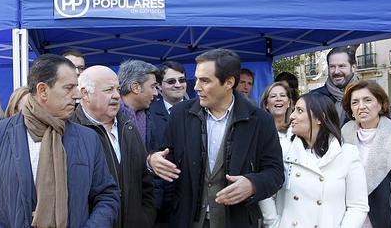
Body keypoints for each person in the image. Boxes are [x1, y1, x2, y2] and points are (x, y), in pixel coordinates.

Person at [0, 54, 119, 227]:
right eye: (69, 88)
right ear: (43, 91)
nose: (77, 95)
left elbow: (107, 196)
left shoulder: (88, 139)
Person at [148, 48, 284, 228]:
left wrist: (253, 184)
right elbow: (165, 157)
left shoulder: (260, 121)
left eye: (204, 81)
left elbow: (275, 173)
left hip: (237, 221)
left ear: (228, 83)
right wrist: (152, 161)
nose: (196, 86)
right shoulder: (180, 114)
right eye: (196, 79)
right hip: (187, 220)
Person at [259, 93, 369, 228]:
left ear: (320, 118)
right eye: (294, 110)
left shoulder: (348, 155)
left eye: (299, 111)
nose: (292, 116)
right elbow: (266, 190)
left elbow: (358, 206)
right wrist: (273, 224)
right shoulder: (282, 150)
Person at [71, 65, 156, 228]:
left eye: (117, 89)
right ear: (85, 94)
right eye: (108, 90)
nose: (117, 95)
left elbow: (145, 184)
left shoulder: (129, 128)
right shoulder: (71, 133)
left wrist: (145, 218)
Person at [341, 80, 391, 228]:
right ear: (350, 109)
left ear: (380, 104)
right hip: (349, 218)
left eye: (367, 100)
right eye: (355, 102)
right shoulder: (341, 136)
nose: (361, 106)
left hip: (387, 216)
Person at [147, 60, 187, 226]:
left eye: (182, 80)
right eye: (171, 81)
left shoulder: (200, 111)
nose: (178, 85)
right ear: (159, 87)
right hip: (159, 202)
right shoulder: (148, 112)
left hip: (190, 199)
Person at [311, 46, 359, 124]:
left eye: (341, 66)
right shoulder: (314, 98)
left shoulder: (368, 95)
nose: (336, 72)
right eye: (332, 67)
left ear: (353, 67)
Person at [118, 59, 159, 144]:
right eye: (152, 87)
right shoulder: (109, 117)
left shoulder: (150, 117)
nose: (156, 93)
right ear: (135, 88)